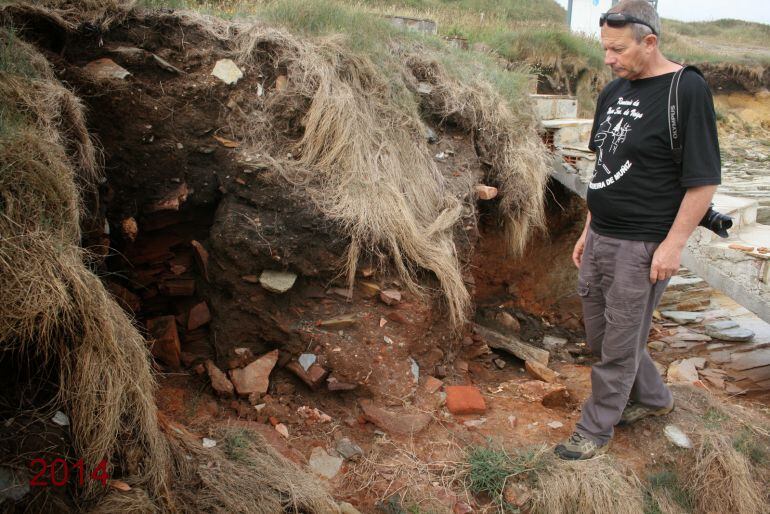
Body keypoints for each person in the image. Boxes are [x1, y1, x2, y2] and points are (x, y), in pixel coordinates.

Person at [554, 0, 721, 460]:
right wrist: (589, 228)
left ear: (650, 42)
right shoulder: (613, 91)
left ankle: (595, 430)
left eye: (618, 49)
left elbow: (703, 180)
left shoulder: (685, 91)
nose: (609, 58)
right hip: (602, 234)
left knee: (617, 346)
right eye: (605, 48)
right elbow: (604, 168)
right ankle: (654, 397)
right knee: (602, 336)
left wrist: (673, 244)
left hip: (644, 243)